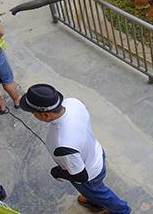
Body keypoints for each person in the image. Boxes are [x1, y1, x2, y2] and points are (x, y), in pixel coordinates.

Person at [19, 84, 131, 214]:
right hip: (96, 153)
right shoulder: (73, 103)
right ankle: (94, 202)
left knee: (101, 194)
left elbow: (81, 176)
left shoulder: (62, 143)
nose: (33, 115)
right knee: (94, 192)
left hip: (89, 174)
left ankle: (122, 211)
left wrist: (57, 172)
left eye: (33, 112)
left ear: (46, 115)